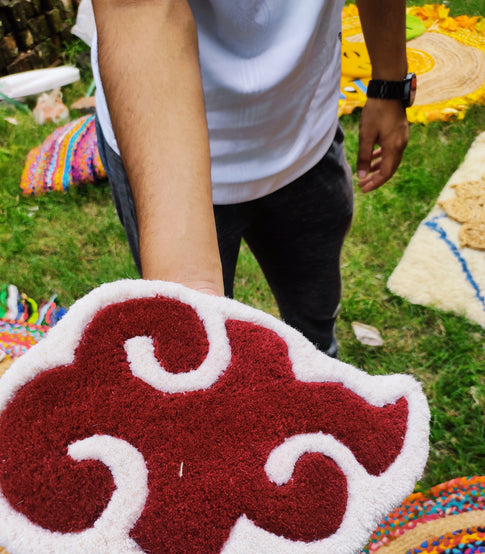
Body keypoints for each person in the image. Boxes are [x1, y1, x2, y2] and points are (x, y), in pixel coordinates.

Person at [90, 0, 411, 356]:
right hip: (163, 155)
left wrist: (390, 83)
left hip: (307, 130)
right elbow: (134, 9)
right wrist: (191, 295)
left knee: (316, 324)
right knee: (194, 346)